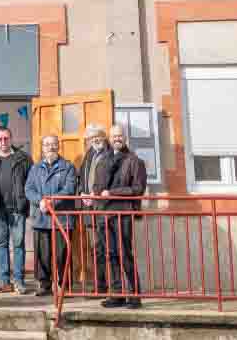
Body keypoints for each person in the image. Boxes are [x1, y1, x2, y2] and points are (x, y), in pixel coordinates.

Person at [96, 124, 148, 309]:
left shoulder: (135, 161)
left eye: (120, 136)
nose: (117, 138)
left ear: (125, 138)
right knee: (111, 255)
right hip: (105, 214)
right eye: (113, 136)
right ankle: (117, 295)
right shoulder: (103, 161)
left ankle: (135, 296)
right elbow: (98, 188)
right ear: (109, 139)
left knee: (125, 254)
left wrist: (112, 193)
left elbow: (138, 189)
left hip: (123, 213)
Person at [24, 135, 76, 297]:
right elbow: (28, 189)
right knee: (42, 254)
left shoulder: (68, 167)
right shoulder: (35, 168)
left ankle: (65, 285)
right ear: (42, 148)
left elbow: (69, 189)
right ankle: (44, 284)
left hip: (61, 218)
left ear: (58, 146)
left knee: (62, 253)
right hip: (41, 218)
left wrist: (51, 202)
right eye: (47, 145)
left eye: (53, 144)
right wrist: (40, 201)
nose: (50, 147)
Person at [0, 127, 31, 295]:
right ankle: (4, 281)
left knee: (18, 245)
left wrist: (25, 203)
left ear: (11, 139)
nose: (3, 142)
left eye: (6, 138)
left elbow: (29, 181)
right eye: (0, 139)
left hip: (17, 208)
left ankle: (19, 280)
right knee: (1, 245)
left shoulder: (23, 158)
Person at [77, 124, 114, 296]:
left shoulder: (111, 154)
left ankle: (114, 285)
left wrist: (96, 193)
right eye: (91, 138)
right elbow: (81, 178)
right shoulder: (89, 154)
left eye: (98, 136)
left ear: (104, 136)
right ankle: (100, 285)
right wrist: (83, 193)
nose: (95, 140)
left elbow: (114, 180)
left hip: (106, 208)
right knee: (96, 248)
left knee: (109, 248)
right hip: (90, 210)